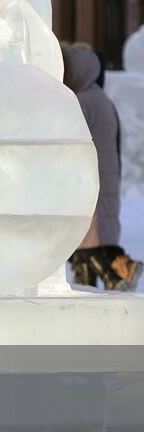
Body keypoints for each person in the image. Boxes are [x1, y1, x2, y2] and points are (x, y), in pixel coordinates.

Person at [64, 46, 139, 289]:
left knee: (93, 236)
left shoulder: (82, 101)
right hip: (103, 176)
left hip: (92, 179)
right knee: (86, 242)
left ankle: (122, 270)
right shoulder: (98, 97)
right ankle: (85, 279)